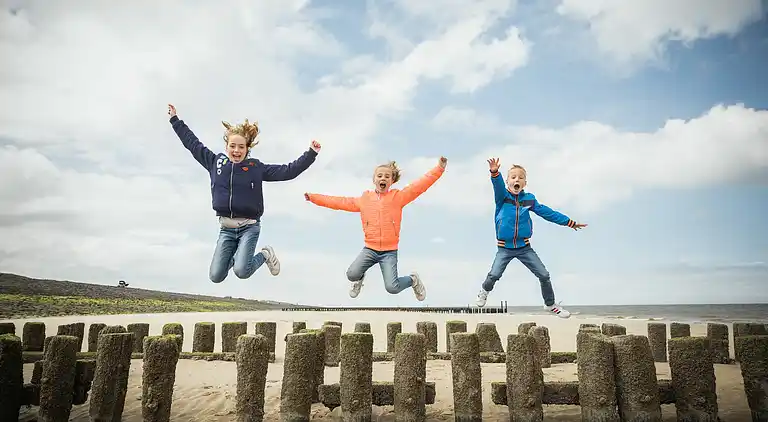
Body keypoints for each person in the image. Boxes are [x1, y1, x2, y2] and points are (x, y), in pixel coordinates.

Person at [167, 103, 321, 283]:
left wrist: (311, 154)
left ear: (247, 148)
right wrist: (175, 120)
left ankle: (264, 254)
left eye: (241, 147)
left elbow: (288, 171)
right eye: (233, 146)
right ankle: (237, 256)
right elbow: (192, 143)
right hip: (226, 229)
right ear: (227, 146)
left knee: (242, 271)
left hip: (249, 227)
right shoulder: (215, 163)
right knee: (216, 276)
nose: (236, 151)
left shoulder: (255, 167)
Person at [304, 157, 447, 301]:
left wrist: (439, 169)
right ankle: (359, 279)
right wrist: (313, 198)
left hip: (389, 252)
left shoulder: (398, 198)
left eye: (386, 176)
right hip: (370, 249)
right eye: (379, 176)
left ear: (392, 181)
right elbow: (338, 202)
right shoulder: (364, 200)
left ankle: (413, 280)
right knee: (351, 274)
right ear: (374, 179)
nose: (382, 178)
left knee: (392, 287)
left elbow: (419, 186)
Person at [475, 158, 587, 318]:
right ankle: (484, 291)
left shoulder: (529, 200)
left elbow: (548, 213)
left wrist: (569, 222)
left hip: (524, 248)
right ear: (507, 182)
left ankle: (550, 305)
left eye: (520, 178)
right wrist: (494, 173)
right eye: (513, 177)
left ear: (525, 183)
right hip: (504, 248)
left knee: (544, 275)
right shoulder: (502, 197)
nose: (516, 180)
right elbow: (497, 185)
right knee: (494, 275)